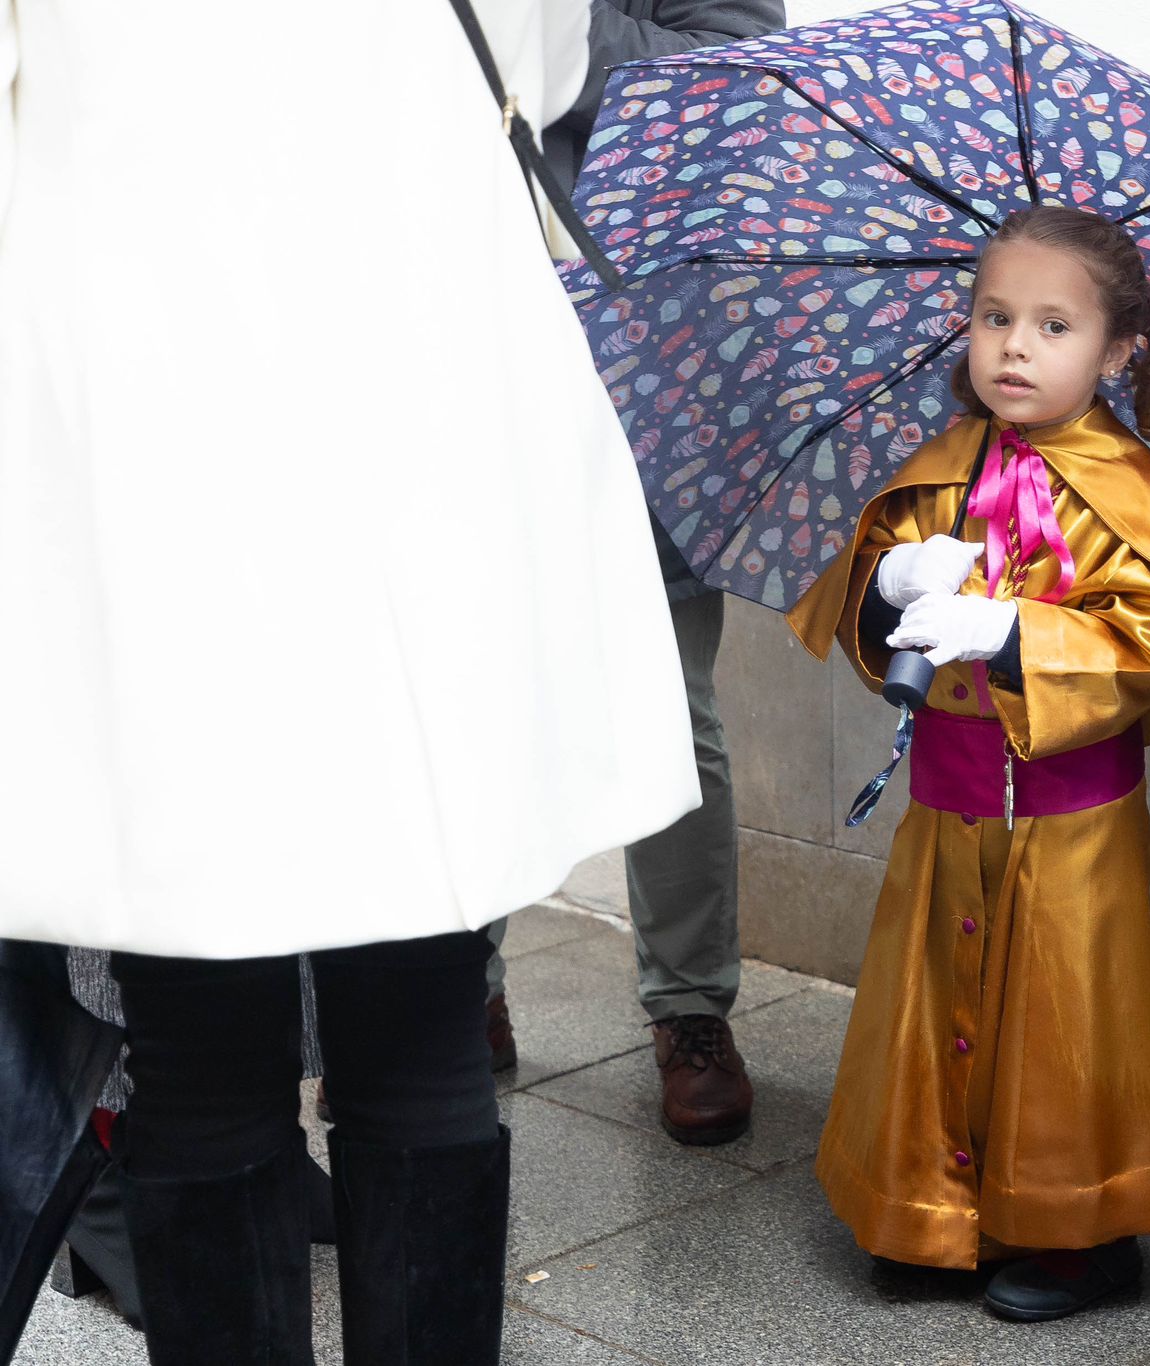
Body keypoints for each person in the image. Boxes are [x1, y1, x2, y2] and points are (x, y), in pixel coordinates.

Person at [0, 3, 698, 1361]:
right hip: (415, 377)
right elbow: (542, 62)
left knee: (198, 1025)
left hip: (144, 397)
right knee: (419, 1005)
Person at [786, 205, 1150, 1322]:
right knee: (931, 993)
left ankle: (1083, 1229)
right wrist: (891, 583)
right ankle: (932, 1208)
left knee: (1062, 1013)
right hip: (947, 803)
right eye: (994, 316)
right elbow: (866, 603)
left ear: (1119, 350)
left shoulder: (1127, 490)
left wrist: (1010, 633)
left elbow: (1148, 644)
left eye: (1053, 325)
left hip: (1069, 817)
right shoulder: (939, 467)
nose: (1012, 346)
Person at [478, 0, 785, 1144]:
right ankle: (465, 988)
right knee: (479, 681)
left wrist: (548, 28)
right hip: (482, 324)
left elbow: (738, 68)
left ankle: (691, 1010)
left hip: (652, 332)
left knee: (669, 693)